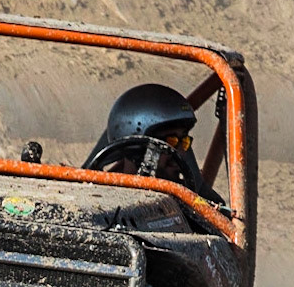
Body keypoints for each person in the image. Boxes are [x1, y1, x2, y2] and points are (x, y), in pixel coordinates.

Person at [84, 83, 219, 201]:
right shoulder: (98, 200)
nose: (181, 153)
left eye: (184, 142)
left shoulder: (191, 203)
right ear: (137, 147)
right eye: (171, 142)